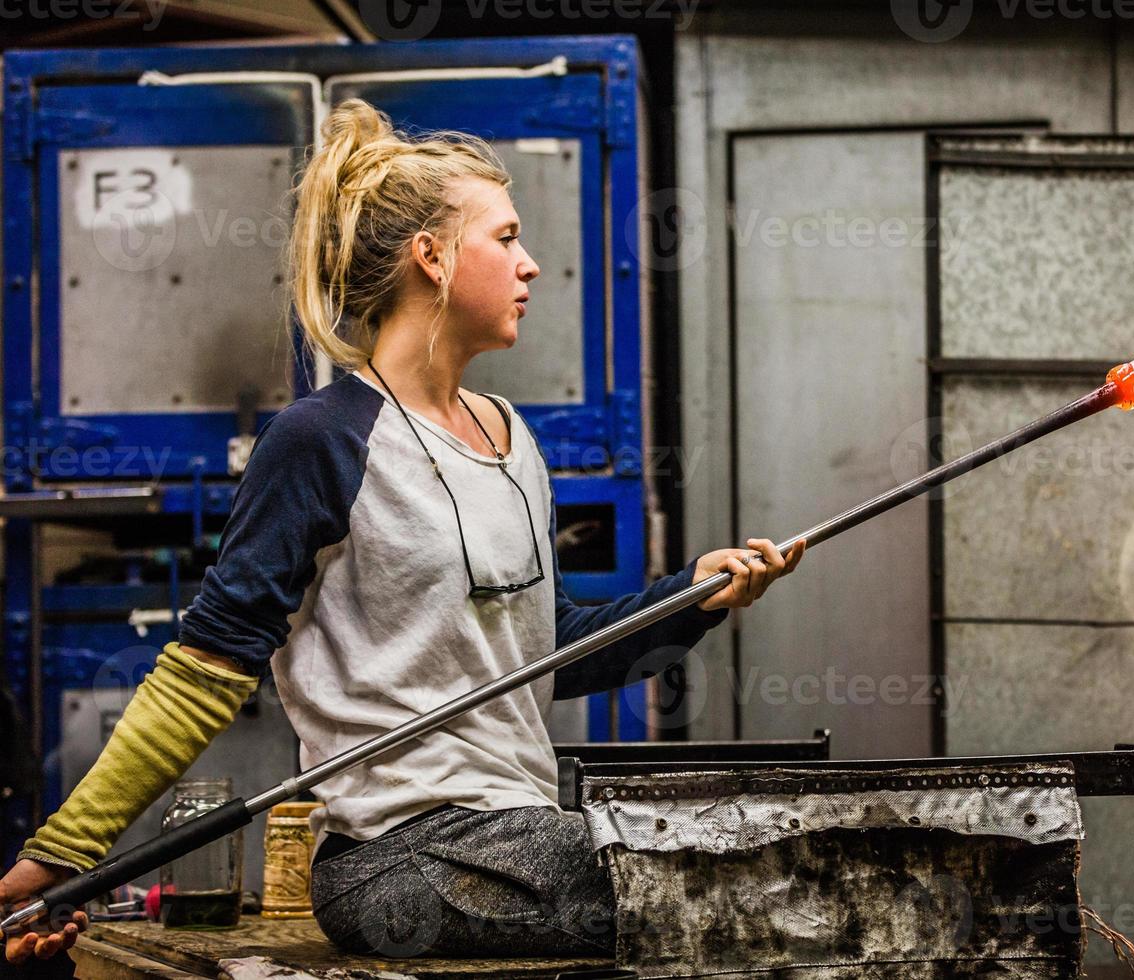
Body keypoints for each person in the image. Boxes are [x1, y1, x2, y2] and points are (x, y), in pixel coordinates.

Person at [1, 98, 805, 965]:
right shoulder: (322, 439)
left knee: (724, 854)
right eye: (506, 237)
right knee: (702, 865)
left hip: (518, 836)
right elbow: (208, 665)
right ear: (432, 256)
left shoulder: (510, 436)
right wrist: (65, 850)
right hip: (399, 862)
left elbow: (550, 653)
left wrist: (691, 597)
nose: (531, 266)